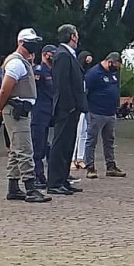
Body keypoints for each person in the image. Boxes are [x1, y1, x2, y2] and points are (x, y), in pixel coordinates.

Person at [0, 28, 52, 202]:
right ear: (21, 42)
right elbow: (5, 88)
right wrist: (0, 105)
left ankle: (13, 187)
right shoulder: (16, 63)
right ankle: (30, 188)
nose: (33, 44)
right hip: (16, 110)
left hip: (20, 109)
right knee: (25, 149)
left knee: (15, 150)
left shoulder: (23, 61)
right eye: (30, 41)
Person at [47, 24, 87, 196]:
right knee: (60, 144)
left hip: (72, 107)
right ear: (72, 36)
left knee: (68, 144)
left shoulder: (69, 55)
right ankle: (54, 182)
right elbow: (62, 84)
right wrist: (69, 106)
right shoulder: (63, 55)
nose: (77, 38)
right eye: (76, 34)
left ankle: (63, 179)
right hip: (66, 108)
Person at [83, 52, 127, 179]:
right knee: (91, 140)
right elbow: (85, 91)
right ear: (110, 61)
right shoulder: (94, 73)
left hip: (110, 113)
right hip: (96, 112)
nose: (116, 69)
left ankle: (111, 166)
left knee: (109, 141)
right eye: (116, 66)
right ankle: (90, 167)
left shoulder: (112, 74)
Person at [31, 45, 56, 188]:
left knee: (44, 144)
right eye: (52, 54)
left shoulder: (52, 72)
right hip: (38, 113)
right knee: (37, 146)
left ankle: (41, 175)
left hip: (48, 114)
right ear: (46, 54)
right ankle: (36, 176)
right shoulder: (38, 71)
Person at [72, 50, 94, 169]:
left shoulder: (88, 74)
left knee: (84, 131)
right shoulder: (77, 73)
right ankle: (71, 158)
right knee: (77, 131)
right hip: (77, 105)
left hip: (86, 105)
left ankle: (80, 157)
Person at [0, 55, 11, 154]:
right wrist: (4, 84)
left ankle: (9, 145)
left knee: (7, 125)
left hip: (8, 100)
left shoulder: (9, 73)